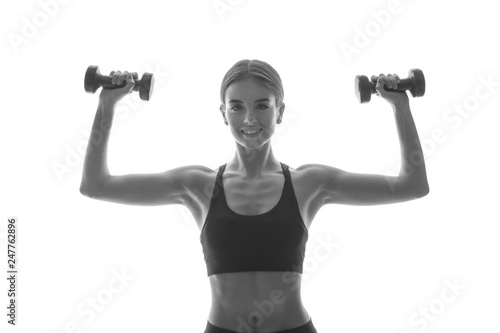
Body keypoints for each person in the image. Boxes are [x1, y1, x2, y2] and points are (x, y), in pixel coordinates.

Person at [80, 59, 429, 333]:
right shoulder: (197, 185)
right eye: (236, 107)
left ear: (280, 111)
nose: (249, 118)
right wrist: (107, 104)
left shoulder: (309, 183)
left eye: (262, 106)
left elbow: (412, 186)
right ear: (223, 113)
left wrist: (400, 106)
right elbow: (96, 186)